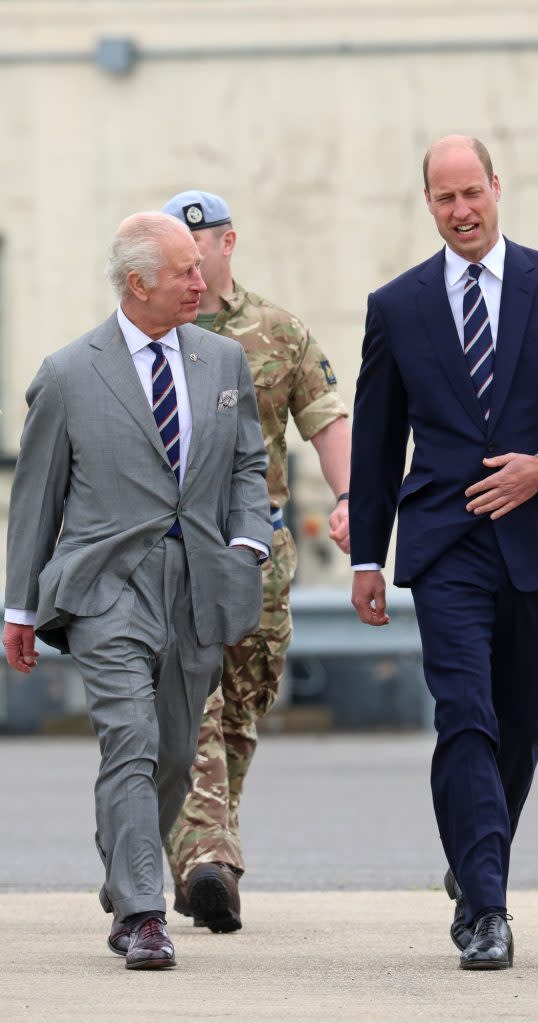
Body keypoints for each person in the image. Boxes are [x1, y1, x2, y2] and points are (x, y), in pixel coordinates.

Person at [349, 136, 538, 970]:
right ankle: (487, 907)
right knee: (464, 715)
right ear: (428, 204)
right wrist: (368, 556)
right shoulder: (397, 306)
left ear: (496, 188)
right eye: (444, 199)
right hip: (444, 541)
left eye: (471, 193)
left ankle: (476, 849)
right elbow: (376, 441)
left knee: (522, 723)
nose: (461, 211)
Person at [2, 212, 272, 970]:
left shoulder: (222, 362)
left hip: (199, 586)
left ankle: (126, 870)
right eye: (185, 270)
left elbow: (249, 463)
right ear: (137, 283)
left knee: (177, 754)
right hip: (103, 586)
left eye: (200, 267)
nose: (200, 280)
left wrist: (249, 539)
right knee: (132, 737)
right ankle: (147, 912)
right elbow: (36, 499)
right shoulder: (67, 374)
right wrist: (19, 607)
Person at [160, 190, 351, 932]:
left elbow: (325, 418)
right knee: (193, 703)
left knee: (241, 706)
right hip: (173, 551)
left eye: (195, 243)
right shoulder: (150, 330)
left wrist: (351, 500)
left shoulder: (276, 331)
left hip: (260, 551)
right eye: (172, 244)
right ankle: (210, 856)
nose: (185, 256)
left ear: (226, 243)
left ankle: (186, 847)